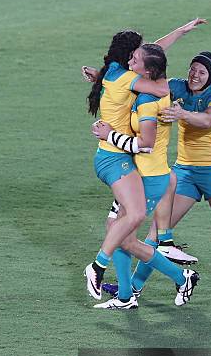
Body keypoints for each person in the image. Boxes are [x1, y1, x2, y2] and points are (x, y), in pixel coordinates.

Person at [103, 20, 211, 302]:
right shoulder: (177, 87)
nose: (194, 75)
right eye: (192, 69)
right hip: (184, 172)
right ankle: (134, 289)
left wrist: (182, 115)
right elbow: (149, 61)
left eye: (201, 72)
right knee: (158, 232)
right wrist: (106, 81)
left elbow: (208, 120)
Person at [84, 35, 200, 307]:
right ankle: (129, 295)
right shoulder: (139, 86)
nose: (129, 60)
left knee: (123, 235)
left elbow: (145, 145)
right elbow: (152, 56)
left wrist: (110, 135)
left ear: (146, 72)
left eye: (135, 59)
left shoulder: (147, 99)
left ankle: (177, 278)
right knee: (120, 233)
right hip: (137, 172)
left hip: (150, 176)